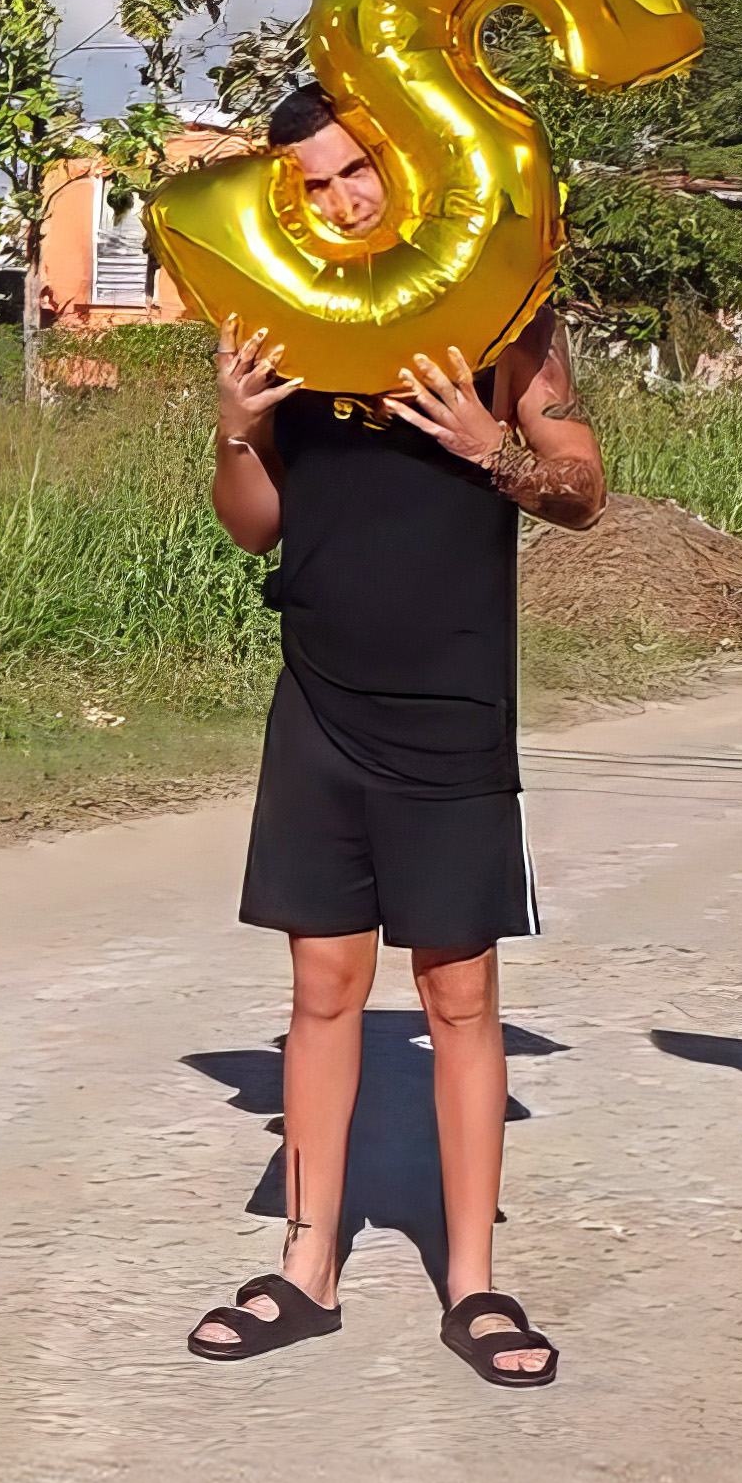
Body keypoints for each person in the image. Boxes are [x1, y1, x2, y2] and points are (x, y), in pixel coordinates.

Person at [183, 83, 602, 1388]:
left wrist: (493, 443)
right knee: (320, 988)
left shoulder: (498, 313)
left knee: (459, 992)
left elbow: (583, 486)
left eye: (356, 167)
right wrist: (240, 426)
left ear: (405, 167)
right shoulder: (287, 317)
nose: (341, 198)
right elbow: (252, 521)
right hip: (321, 695)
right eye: (311, 182)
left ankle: (472, 1278)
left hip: (453, 704)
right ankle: (306, 1263)